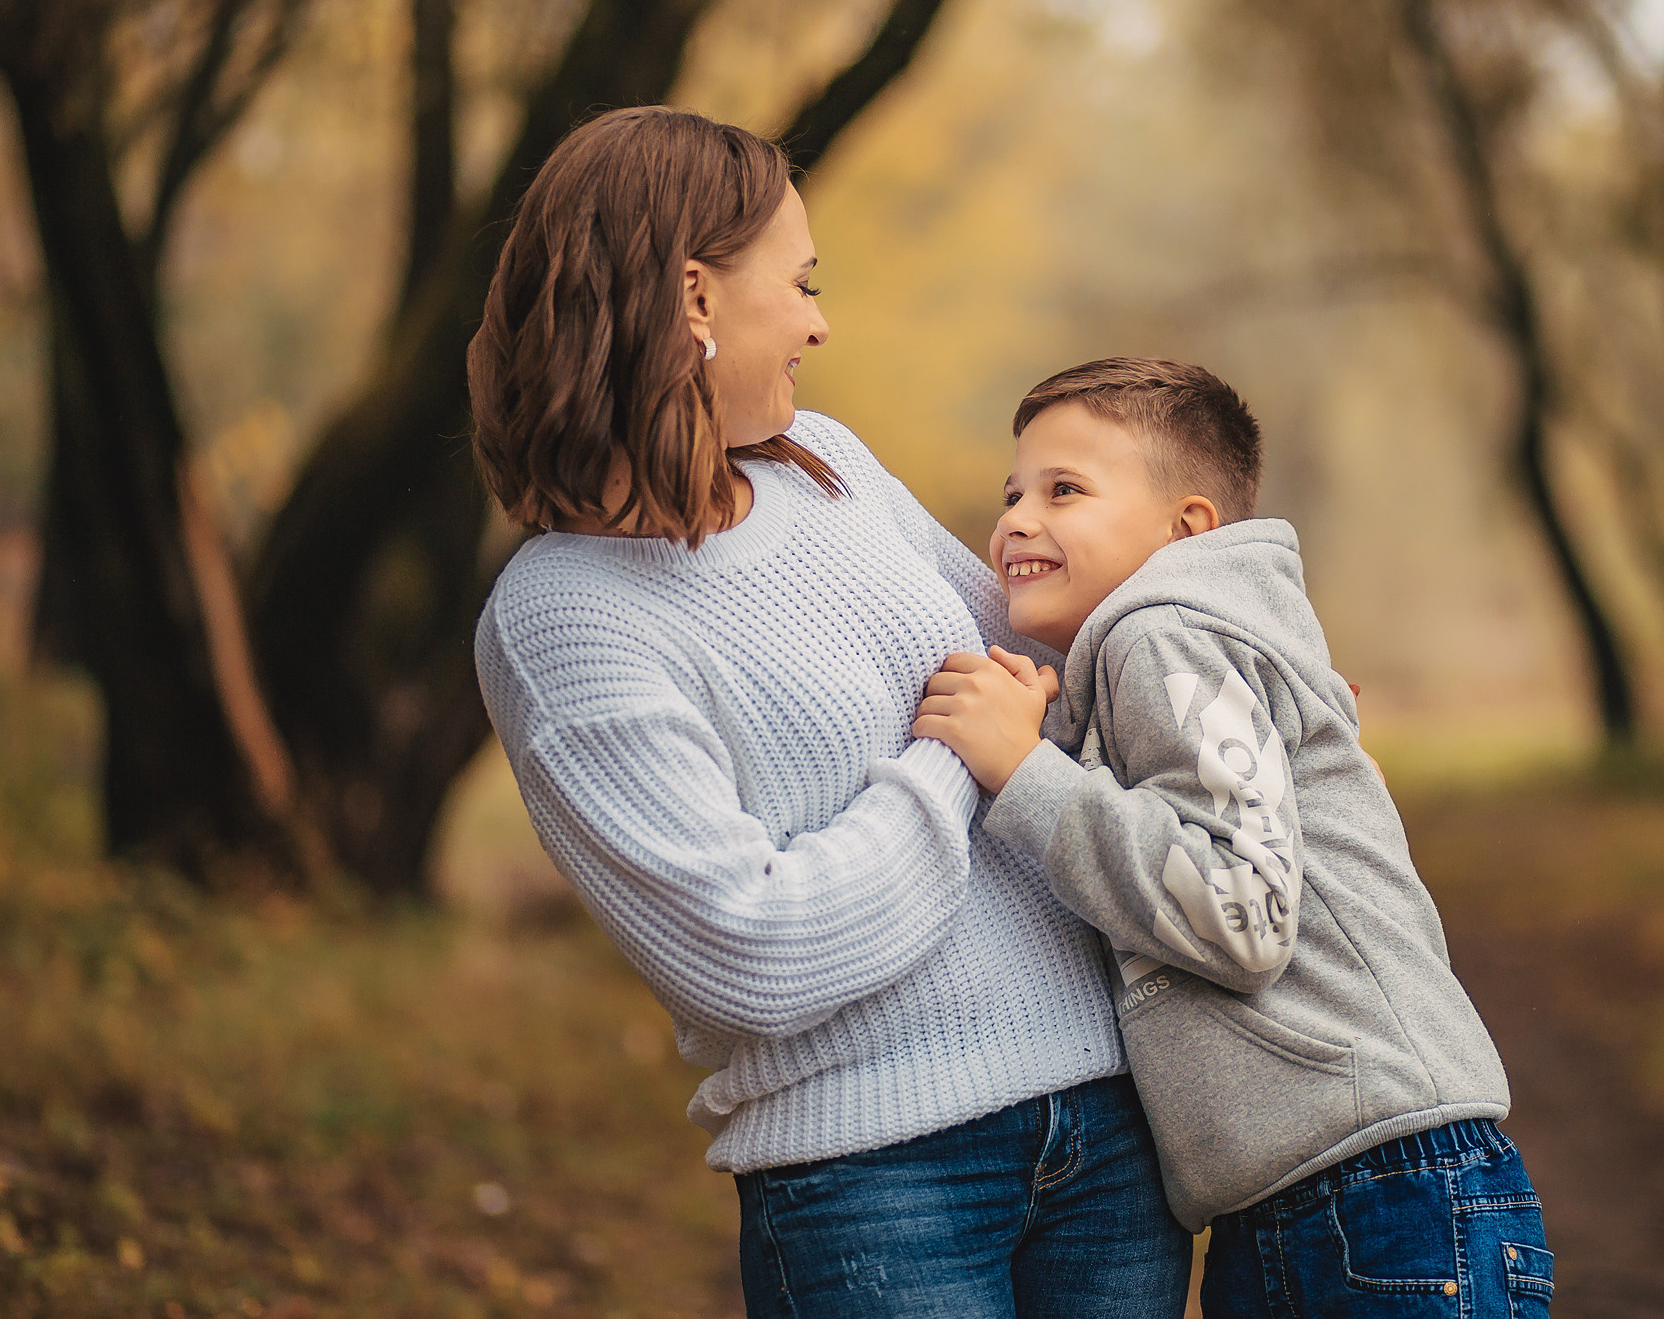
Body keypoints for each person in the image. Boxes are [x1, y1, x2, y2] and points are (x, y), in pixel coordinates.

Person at [468, 109, 1190, 1318]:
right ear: (694, 297)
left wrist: (1229, 672)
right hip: (878, 1181)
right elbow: (750, 951)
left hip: (1108, 1128)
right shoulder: (561, 620)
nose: (817, 320)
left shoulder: (830, 464)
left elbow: (1039, 675)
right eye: (799, 284)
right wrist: (948, 762)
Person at [914, 357, 1553, 1319]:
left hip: (1376, 1192)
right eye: (1013, 492)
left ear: (1188, 529)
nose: (1016, 519)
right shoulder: (1189, 644)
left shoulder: (1159, 632)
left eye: (1066, 489)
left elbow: (1241, 914)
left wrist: (1026, 770)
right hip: (1328, 1195)